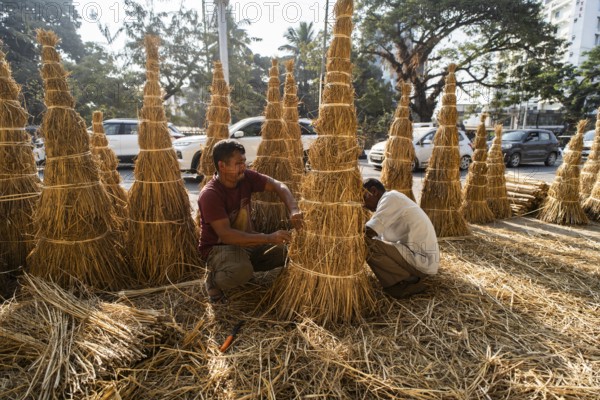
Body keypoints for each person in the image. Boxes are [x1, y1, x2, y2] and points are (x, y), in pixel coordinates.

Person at [198, 139, 303, 303]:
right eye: (238, 163)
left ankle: (241, 266)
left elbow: (278, 185)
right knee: (241, 272)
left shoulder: (245, 177)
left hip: (247, 241)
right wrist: (268, 238)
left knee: (288, 251)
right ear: (222, 166)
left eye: (244, 162)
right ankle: (213, 280)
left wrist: (294, 209)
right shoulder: (210, 194)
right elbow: (226, 235)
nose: (243, 167)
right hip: (219, 247)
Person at [362, 178, 439, 299]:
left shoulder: (391, 198)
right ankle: (407, 276)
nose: (363, 204)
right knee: (371, 243)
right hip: (414, 257)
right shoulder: (388, 203)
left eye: (364, 198)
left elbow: (369, 232)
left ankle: (406, 282)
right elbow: (378, 237)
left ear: (374, 191)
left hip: (420, 262)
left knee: (364, 243)